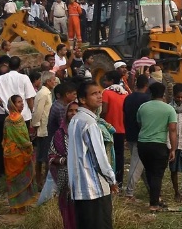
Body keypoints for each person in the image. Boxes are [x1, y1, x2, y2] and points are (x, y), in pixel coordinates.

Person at [68, 80, 118, 229]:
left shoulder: (75, 120)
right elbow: (99, 157)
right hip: (94, 189)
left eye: (99, 93)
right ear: (83, 99)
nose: (99, 96)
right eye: (94, 94)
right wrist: (111, 179)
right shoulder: (89, 123)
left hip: (79, 187)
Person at [136, 81, 177, 212]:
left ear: (150, 93)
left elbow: (139, 123)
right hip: (158, 145)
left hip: (142, 144)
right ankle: (154, 204)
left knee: (149, 171)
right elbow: (172, 130)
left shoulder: (143, 107)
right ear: (163, 93)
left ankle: (155, 198)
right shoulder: (169, 109)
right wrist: (173, 149)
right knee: (157, 174)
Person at [3, 95, 38, 214]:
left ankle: (14, 207)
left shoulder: (7, 119)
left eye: (22, 102)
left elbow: (5, 137)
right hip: (19, 155)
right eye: (18, 102)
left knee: (12, 180)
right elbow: (21, 137)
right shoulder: (18, 118)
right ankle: (21, 207)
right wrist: (29, 145)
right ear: (12, 104)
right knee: (21, 179)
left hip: (8, 154)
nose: (22, 104)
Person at [49, 101, 79, 229]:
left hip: (83, 178)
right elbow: (51, 155)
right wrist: (63, 161)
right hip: (65, 177)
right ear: (66, 113)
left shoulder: (86, 130)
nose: (73, 113)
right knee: (67, 207)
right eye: (71, 111)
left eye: (77, 111)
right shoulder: (60, 133)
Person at [123, 75, 151, 199]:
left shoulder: (128, 98)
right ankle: (129, 192)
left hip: (130, 132)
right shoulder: (147, 99)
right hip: (141, 135)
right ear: (147, 85)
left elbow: (125, 115)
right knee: (136, 164)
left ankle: (151, 188)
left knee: (142, 164)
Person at [101, 70, 128, 186]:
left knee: (106, 154)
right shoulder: (125, 93)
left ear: (111, 81)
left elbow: (104, 110)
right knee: (119, 155)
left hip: (108, 129)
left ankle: (108, 180)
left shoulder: (106, 93)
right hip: (121, 129)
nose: (105, 82)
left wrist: (100, 120)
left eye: (106, 80)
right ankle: (119, 181)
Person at [31, 71, 56, 188]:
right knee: (42, 157)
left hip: (46, 128)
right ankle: (39, 181)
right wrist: (36, 126)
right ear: (48, 81)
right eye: (53, 80)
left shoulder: (47, 93)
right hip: (43, 129)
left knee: (45, 156)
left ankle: (45, 180)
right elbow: (38, 112)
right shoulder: (43, 94)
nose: (55, 82)